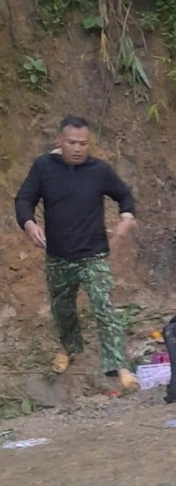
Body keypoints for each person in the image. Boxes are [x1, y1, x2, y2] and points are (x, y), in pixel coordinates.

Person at [14, 115, 140, 392]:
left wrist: (126, 218)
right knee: (63, 309)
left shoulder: (99, 170)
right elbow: (24, 199)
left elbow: (125, 195)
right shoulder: (43, 167)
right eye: (72, 142)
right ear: (60, 140)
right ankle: (69, 347)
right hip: (58, 256)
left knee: (105, 308)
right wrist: (29, 223)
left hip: (93, 255)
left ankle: (120, 366)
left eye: (83, 143)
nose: (77, 149)